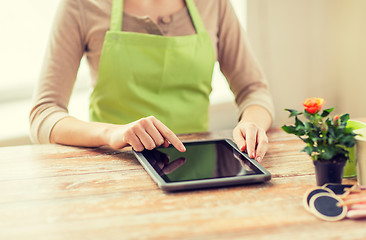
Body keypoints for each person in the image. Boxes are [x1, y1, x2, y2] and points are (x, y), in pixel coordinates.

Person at [29, 0, 274, 162]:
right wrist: (112, 133)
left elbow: (253, 90)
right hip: (115, 172)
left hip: (196, 170)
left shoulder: (213, 4)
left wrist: (252, 123)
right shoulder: (82, 6)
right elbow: (43, 114)